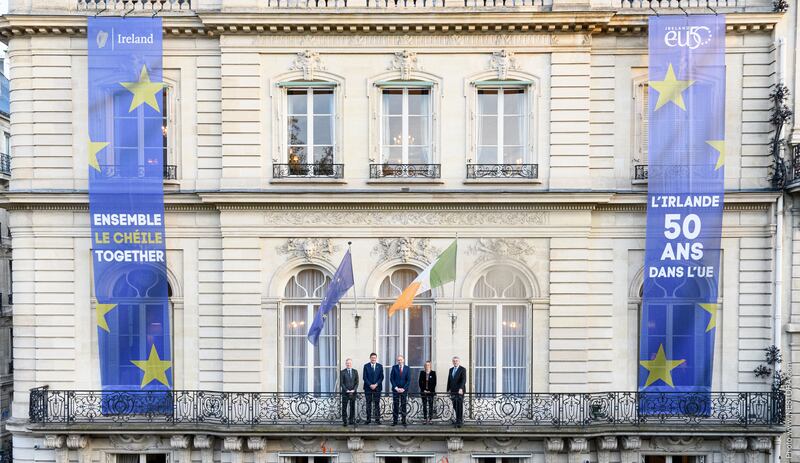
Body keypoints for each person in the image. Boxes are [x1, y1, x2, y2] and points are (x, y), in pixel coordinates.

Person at [362, 352, 384, 425]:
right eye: (372, 358)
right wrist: (370, 385)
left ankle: (377, 419)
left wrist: (376, 384)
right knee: (368, 404)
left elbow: (381, 377)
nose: (373, 359)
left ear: (376, 358)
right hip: (368, 388)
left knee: (377, 404)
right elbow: (364, 377)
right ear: (370, 358)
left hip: (377, 388)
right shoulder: (366, 366)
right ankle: (368, 420)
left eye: (375, 358)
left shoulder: (380, 366)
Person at [390, 354, 411, 426]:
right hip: (395, 390)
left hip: (404, 391)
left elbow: (408, 380)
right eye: (398, 360)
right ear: (397, 361)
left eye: (401, 360)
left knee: (403, 405)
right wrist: (396, 388)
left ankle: (404, 421)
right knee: (395, 405)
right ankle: (395, 421)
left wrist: (403, 389)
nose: (400, 361)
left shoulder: (407, 368)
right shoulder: (394, 367)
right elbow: (391, 379)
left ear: (403, 360)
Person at [447, 356, 466, 428]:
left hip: (459, 391)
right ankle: (458, 419)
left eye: (456, 361)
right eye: (454, 361)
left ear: (459, 361)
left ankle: (459, 421)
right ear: (452, 362)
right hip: (453, 391)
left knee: (459, 406)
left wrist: (461, 388)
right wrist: (448, 389)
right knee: (455, 406)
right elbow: (449, 380)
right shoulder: (451, 369)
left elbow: (463, 380)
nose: (455, 362)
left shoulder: (462, 369)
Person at [340, 358, 359, 426]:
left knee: (352, 407)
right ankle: (345, 421)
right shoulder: (342, 372)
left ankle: (351, 420)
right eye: (347, 363)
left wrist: (354, 389)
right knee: (344, 407)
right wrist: (346, 390)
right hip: (345, 393)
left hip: (353, 392)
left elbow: (357, 382)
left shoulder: (355, 371)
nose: (348, 364)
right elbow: (341, 383)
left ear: (351, 364)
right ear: (346, 364)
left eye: (349, 363)